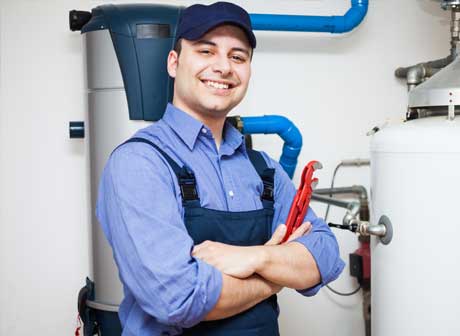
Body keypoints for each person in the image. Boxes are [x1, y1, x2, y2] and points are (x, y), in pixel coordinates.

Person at [96, 2, 345, 335]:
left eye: (238, 57)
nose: (223, 67)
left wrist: (256, 258)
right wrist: (276, 274)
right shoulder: (140, 163)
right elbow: (180, 298)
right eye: (205, 50)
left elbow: (326, 256)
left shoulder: (264, 170)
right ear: (174, 63)